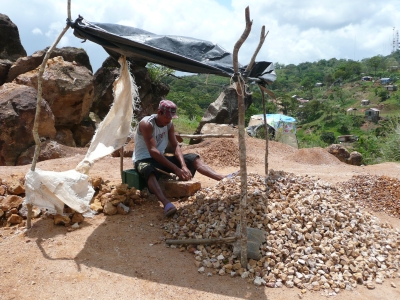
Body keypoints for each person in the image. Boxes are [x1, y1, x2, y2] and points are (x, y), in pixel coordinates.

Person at [132, 100, 237, 217]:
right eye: (167, 117)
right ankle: (166, 203)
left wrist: (183, 166)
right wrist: (176, 169)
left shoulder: (169, 124)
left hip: (160, 158)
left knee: (193, 158)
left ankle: (221, 177)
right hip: (143, 159)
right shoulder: (147, 124)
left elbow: (176, 145)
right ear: (159, 112)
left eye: (171, 118)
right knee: (149, 170)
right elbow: (153, 151)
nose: (169, 120)